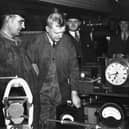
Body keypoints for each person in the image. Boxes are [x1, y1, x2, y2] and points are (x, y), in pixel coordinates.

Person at [27, 8, 81, 129]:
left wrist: (74, 93)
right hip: (41, 92)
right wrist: (36, 78)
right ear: (47, 29)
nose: (60, 36)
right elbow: (29, 63)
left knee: (60, 121)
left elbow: (74, 68)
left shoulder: (67, 42)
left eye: (62, 32)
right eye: (57, 33)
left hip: (61, 92)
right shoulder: (36, 41)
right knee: (44, 121)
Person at [0, 9, 38, 129]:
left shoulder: (20, 42)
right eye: (20, 22)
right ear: (8, 20)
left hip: (28, 105)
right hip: (12, 109)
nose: (24, 26)